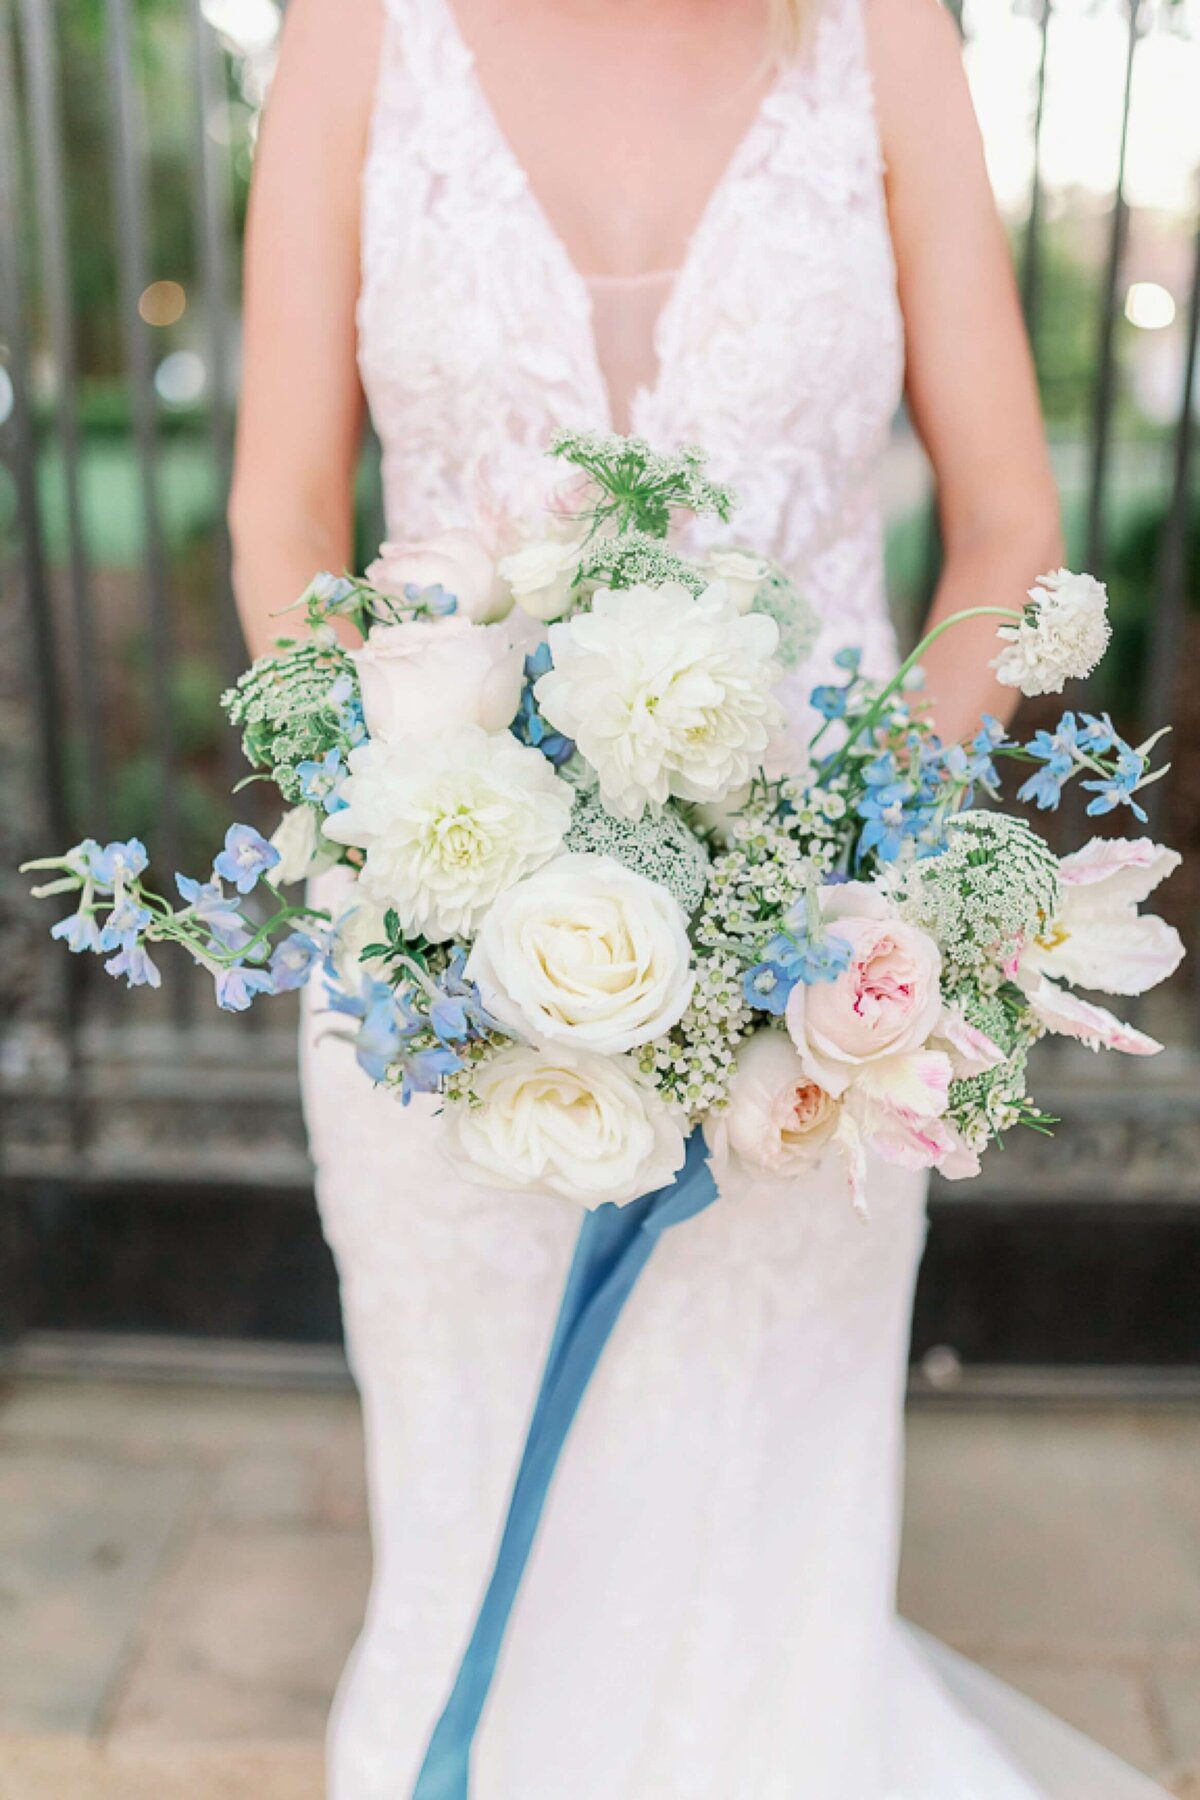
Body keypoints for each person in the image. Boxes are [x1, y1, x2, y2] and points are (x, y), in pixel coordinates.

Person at [229, 2, 1167, 1794]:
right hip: (442, 953)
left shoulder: (881, 35)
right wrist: (419, 834)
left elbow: (1007, 523)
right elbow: (283, 521)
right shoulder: (356, 32)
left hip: (812, 980)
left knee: (756, 1537)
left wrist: (850, 862)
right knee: (475, 1515)